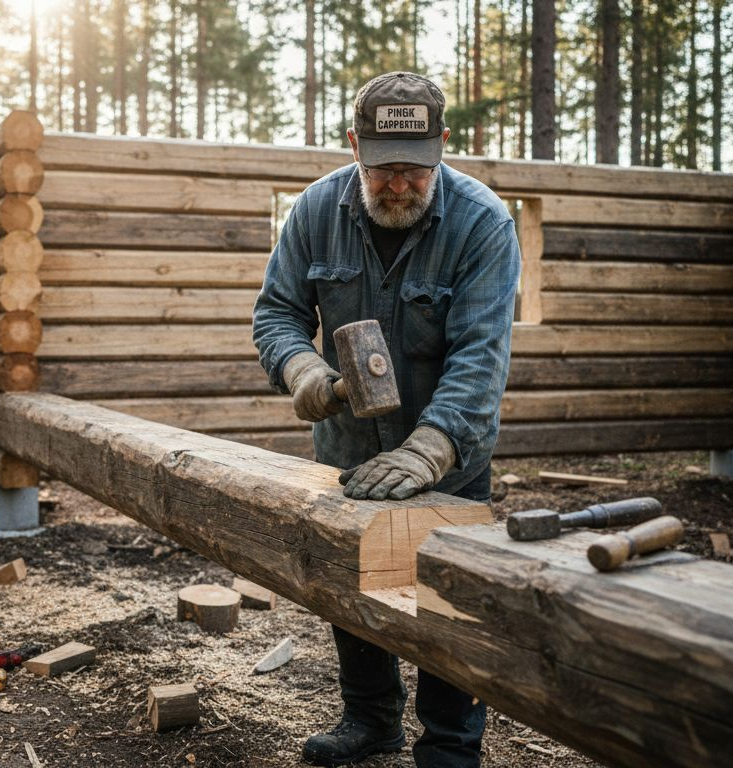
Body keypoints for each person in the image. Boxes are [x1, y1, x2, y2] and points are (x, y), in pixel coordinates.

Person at [252, 71, 521, 767]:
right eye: (383, 169)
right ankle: (371, 721)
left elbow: (480, 356)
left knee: (446, 598)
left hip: (449, 457)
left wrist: (430, 450)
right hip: (345, 445)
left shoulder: (484, 223)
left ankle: (450, 745)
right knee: (354, 586)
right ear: (354, 146)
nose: (399, 184)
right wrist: (305, 373)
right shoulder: (314, 211)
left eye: (414, 168)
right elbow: (277, 313)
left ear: (443, 147)